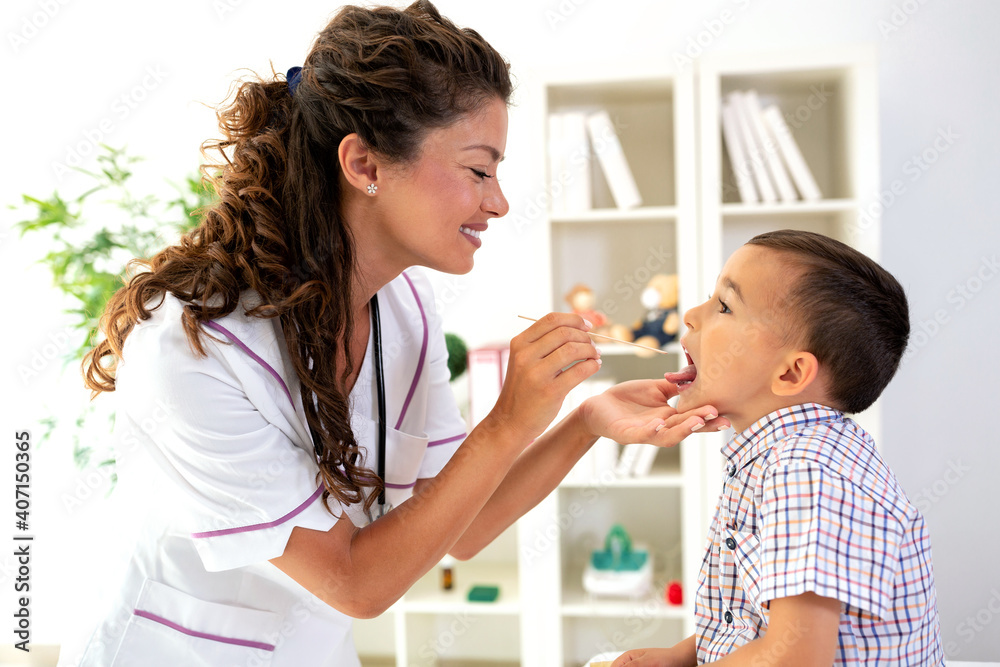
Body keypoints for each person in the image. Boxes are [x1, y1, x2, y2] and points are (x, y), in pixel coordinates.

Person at [59, 3, 727, 665]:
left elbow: (460, 525)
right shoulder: (190, 344)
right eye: (478, 170)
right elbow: (357, 581)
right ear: (365, 165)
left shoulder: (404, 303)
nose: (499, 201)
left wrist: (584, 420)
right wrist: (506, 420)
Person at [612, 229, 943, 666]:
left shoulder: (807, 471)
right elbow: (758, 619)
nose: (691, 315)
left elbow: (796, 658)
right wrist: (681, 656)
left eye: (724, 306)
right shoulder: (784, 456)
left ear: (789, 375)